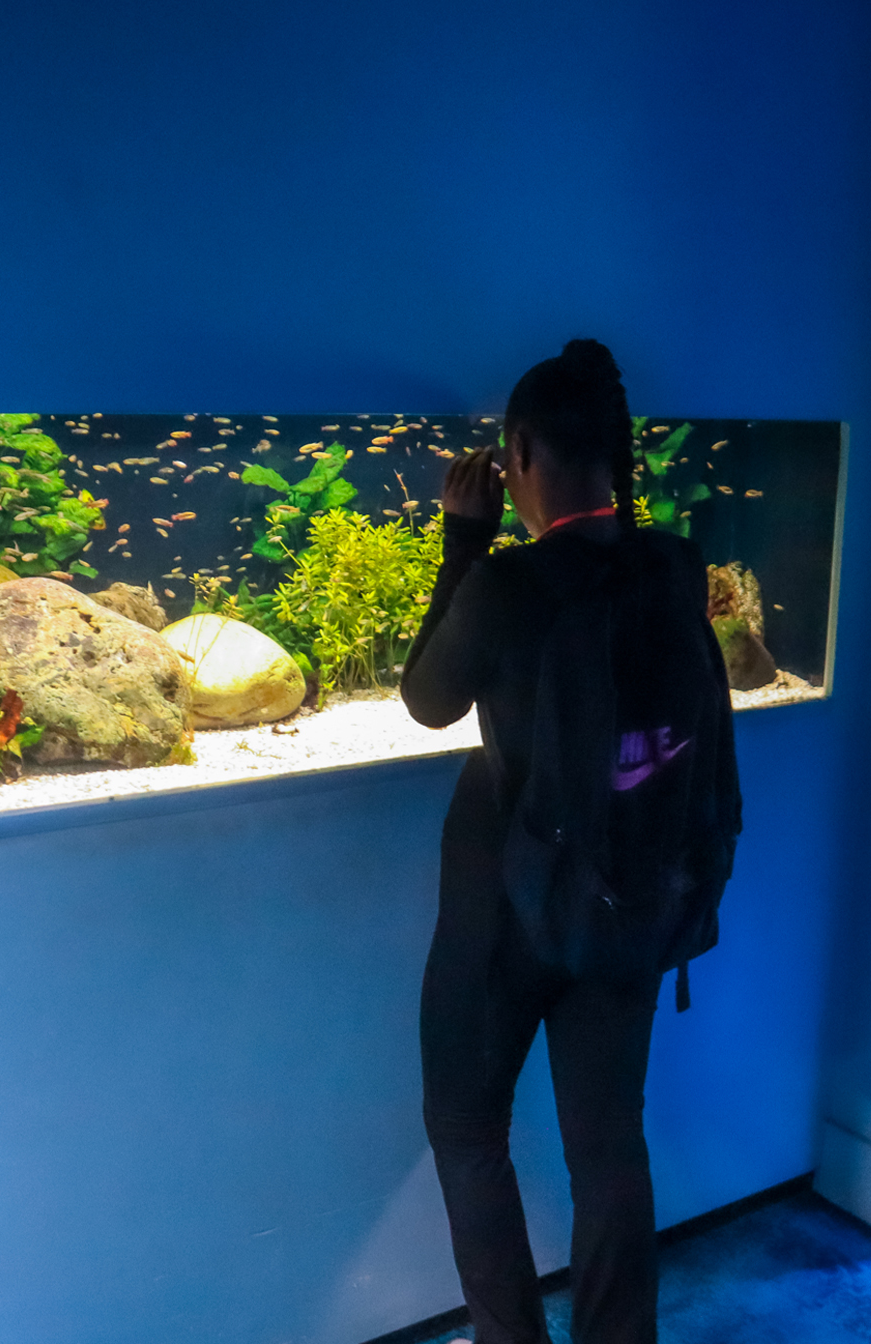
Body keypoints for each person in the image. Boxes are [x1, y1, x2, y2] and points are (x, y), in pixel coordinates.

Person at [400, 339, 739, 1344]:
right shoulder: (675, 566)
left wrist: (464, 543)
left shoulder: (508, 584)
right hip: (629, 893)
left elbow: (427, 700)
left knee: (466, 1126)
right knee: (608, 1144)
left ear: (519, 456)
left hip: (505, 910)